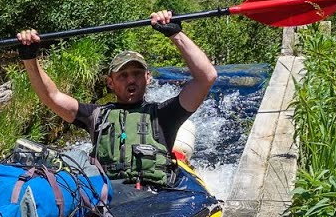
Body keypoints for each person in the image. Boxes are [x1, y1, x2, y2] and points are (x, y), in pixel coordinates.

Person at [17, 11, 218, 190]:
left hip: (154, 199)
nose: (131, 79)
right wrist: (29, 57)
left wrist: (175, 34)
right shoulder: (94, 115)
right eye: (123, 75)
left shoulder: (164, 115)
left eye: (137, 73)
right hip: (109, 201)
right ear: (110, 83)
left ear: (148, 78)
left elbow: (206, 77)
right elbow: (51, 96)